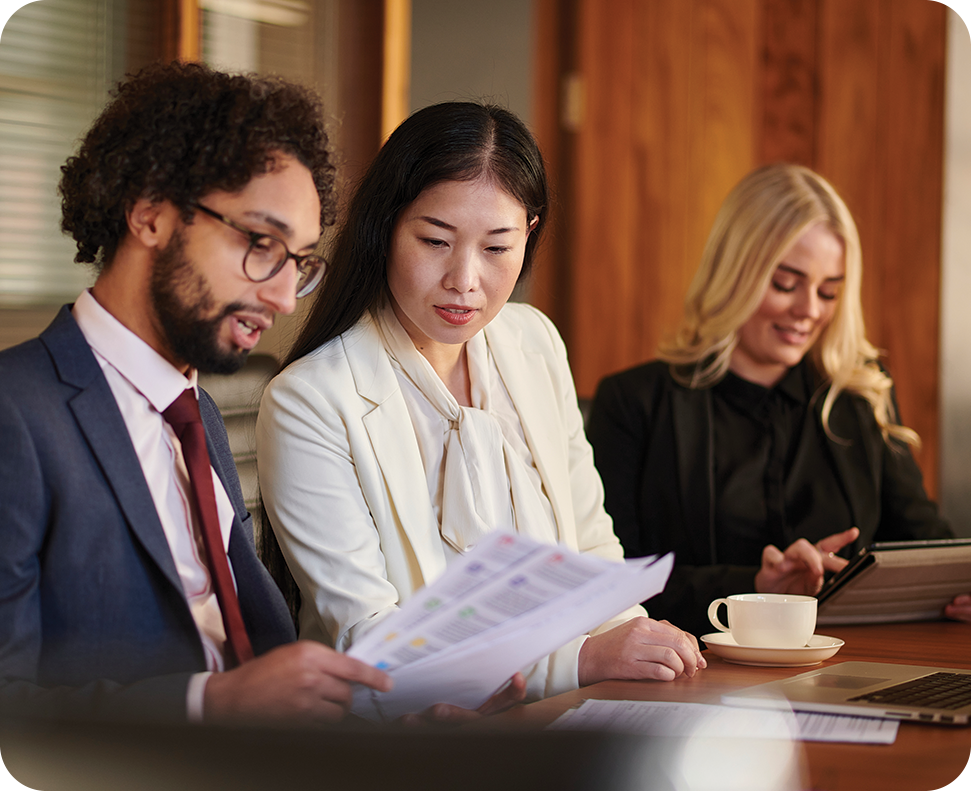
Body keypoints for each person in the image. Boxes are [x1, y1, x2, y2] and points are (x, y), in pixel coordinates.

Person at [256, 101, 705, 706]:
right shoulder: (310, 399)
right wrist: (584, 660)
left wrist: (635, 638)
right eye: (436, 241)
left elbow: (592, 544)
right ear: (385, 228)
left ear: (531, 234)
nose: (464, 280)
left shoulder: (533, 341)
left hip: (570, 712)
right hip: (408, 742)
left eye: (497, 248)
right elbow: (370, 639)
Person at [0, 62, 391, 724]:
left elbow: (259, 651)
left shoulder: (198, 412)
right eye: (260, 242)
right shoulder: (17, 414)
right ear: (150, 212)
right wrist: (208, 703)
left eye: (297, 264)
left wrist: (384, 703)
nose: (278, 295)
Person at [587, 162, 971, 638]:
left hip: (848, 665)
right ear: (735, 272)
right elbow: (610, 580)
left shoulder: (860, 396)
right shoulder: (633, 404)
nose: (809, 310)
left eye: (829, 291)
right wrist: (753, 587)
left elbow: (927, 542)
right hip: (695, 673)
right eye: (785, 284)